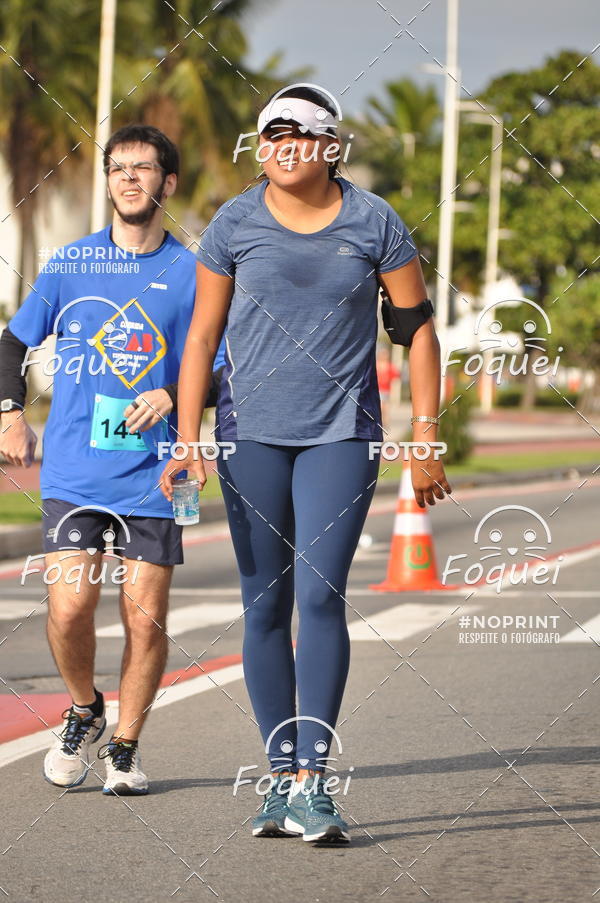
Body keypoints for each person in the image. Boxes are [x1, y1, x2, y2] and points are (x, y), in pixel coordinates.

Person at [160, 84, 451, 840]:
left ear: (330, 144)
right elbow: (200, 339)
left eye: (299, 134)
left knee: (320, 597)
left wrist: (425, 432)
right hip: (248, 433)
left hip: (341, 436)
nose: (283, 146)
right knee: (264, 605)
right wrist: (188, 435)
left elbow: (416, 330)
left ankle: (314, 782)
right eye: (270, 136)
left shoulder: (372, 220)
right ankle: (277, 773)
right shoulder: (234, 221)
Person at [0, 124, 224, 795]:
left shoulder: (192, 274)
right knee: (69, 607)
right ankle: (83, 707)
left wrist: (171, 391)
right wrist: (9, 412)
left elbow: (218, 368)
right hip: (75, 471)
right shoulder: (72, 263)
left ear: (169, 182)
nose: (128, 178)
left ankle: (124, 747)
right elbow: (9, 347)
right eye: (117, 168)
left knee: (143, 614)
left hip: (154, 476)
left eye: (143, 168)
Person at [376, 343, 401, 433]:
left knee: (384, 408)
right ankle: (380, 423)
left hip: (386, 390)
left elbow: (396, 375)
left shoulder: (389, 366)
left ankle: (385, 423)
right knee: (380, 407)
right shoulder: (377, 365)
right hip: (377, 390)